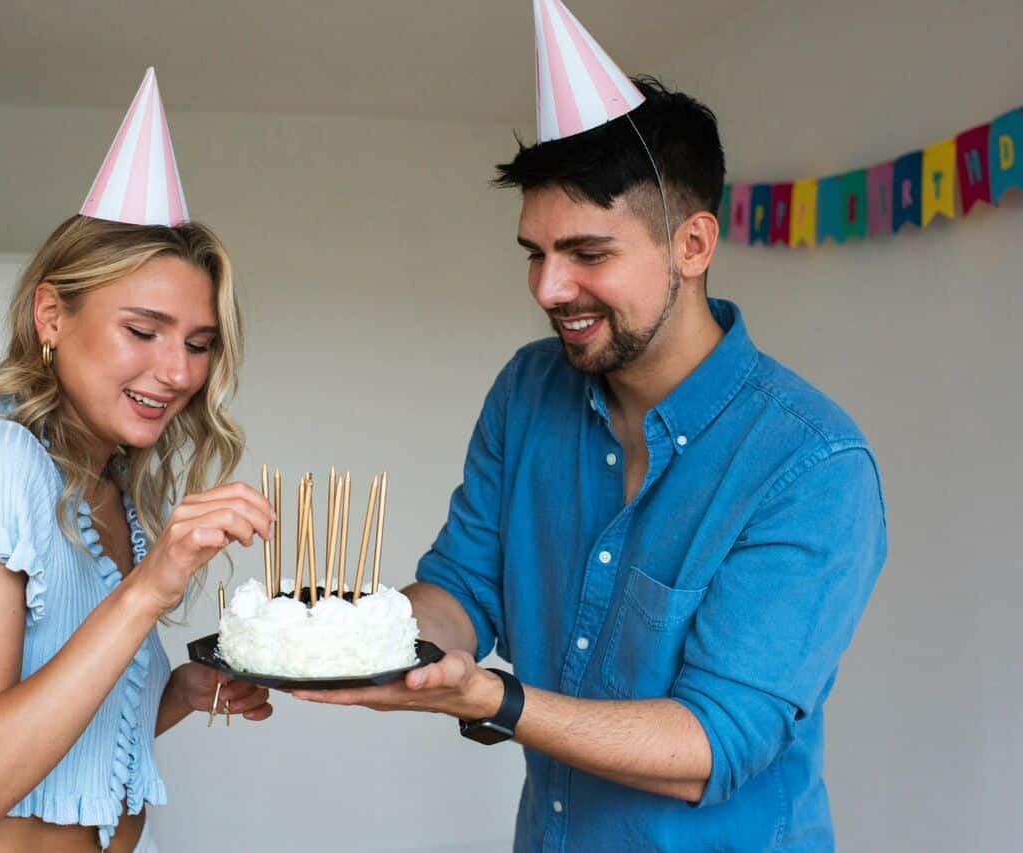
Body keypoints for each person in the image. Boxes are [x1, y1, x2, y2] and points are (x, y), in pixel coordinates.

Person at [294, 8, 886, 851]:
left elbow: (711, 744)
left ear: (691, 244)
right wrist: (347, 637)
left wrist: (493, 699)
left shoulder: (812, 463)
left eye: (587, 254)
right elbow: (462, 592)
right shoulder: (528, 391)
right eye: (535, 253)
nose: (547, 286)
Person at [0, 70, 275, 853]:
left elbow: (61, 726)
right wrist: (151, 586)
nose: (178, 372)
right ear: (52, 313)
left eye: (197, 344)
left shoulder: (107, 483)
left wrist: (182, 691)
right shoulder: (0, 463)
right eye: (144, 330)